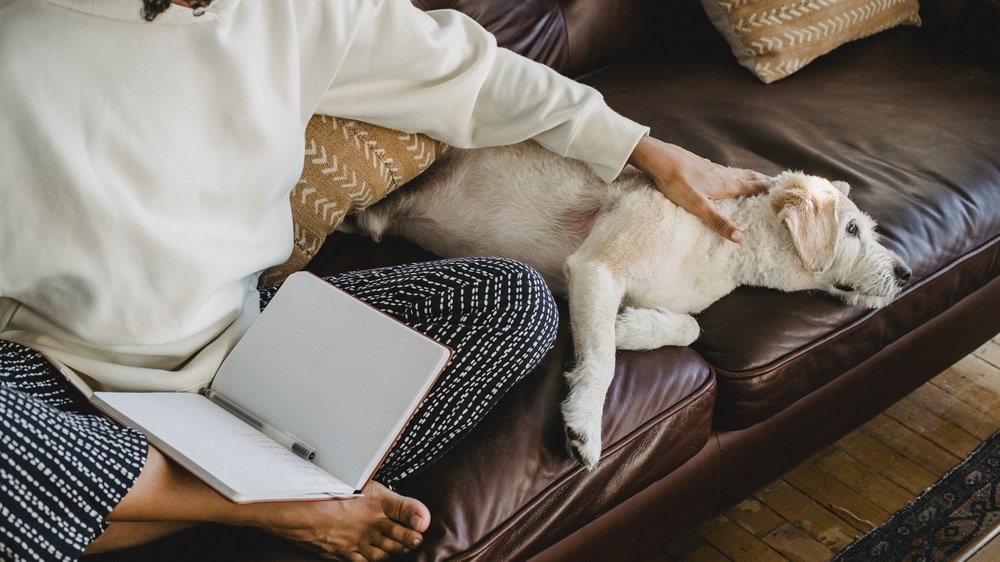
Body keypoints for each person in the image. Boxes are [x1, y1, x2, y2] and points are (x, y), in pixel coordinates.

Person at [0, 0, 768, 560]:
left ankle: (118, 505)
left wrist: (646, 151)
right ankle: (269, 508)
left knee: (509, 303)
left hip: (247, 352)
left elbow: (470, 77)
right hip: (53, 373)